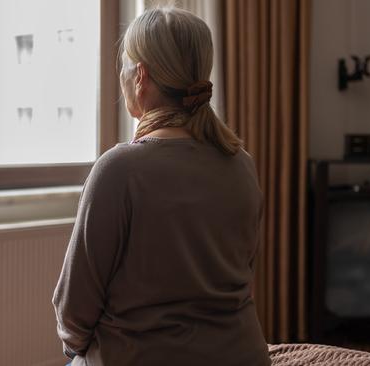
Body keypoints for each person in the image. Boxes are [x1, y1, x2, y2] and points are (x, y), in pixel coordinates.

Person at [53, 6, 270, 366]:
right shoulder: (241, 165)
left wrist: (81, 352)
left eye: (124, 65)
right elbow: (241, 276)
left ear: (140, 76)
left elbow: (73, 312)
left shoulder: (119, 170)